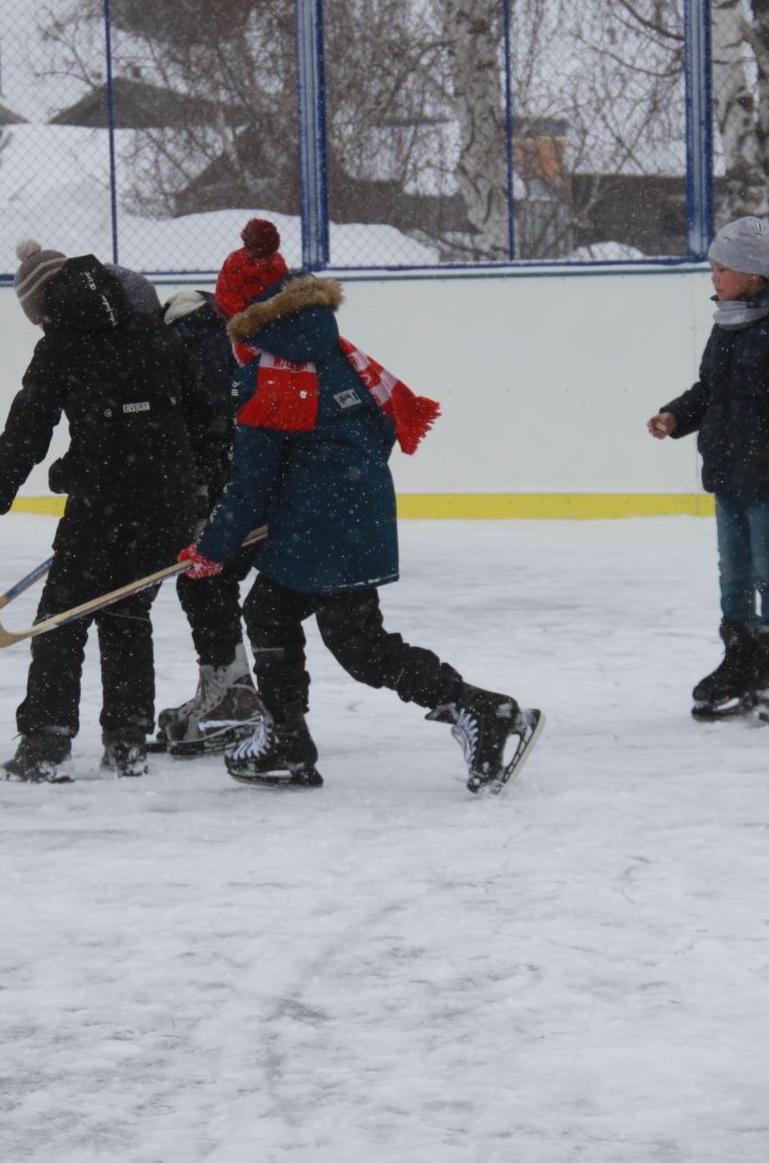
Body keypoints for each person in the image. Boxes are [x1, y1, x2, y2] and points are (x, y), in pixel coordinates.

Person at [178, 220, 544, 794]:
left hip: (321, 526)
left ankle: (479, 709)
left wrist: (213, 551)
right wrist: (324, 483)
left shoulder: (269, 373)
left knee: (359, 646)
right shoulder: (334, 348)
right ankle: (287, 739)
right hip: (350, 513)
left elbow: (250, 480)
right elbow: (379, 428)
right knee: (276, 615)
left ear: (243, 314)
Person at [0, 239, 216, 783]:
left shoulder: (61, 345)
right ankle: (127, 744)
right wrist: (202, 495)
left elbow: (24, 436)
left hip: (105, 502)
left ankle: (46, 745)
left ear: (43, 303)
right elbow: (199, 418)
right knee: (126, 612)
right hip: (166, 499)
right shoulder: (152, 331)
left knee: (61, 619)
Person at [647, 215, 769, 723]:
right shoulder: (725, 324)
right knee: (733, 574)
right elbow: (710, 390)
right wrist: (675, 415)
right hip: (727, 472)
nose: (714, 277)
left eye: (722, 269)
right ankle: (741, 656)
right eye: (712, 267)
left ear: (753, 274)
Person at [149, 285, 269, 757]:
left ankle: (236, 697)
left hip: (240, 489)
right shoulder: (213, 332)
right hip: (254, 485)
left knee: (206, 581)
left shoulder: (187, 341)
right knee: (208, 583)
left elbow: (206, 428)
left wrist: (199, 501)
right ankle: (233, 689)